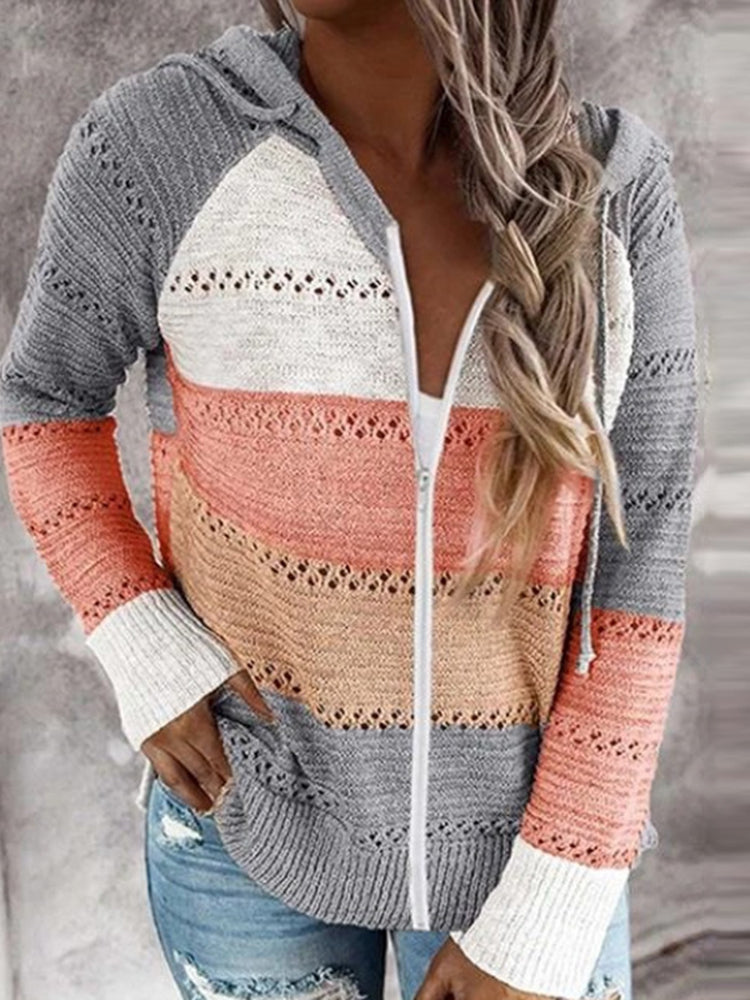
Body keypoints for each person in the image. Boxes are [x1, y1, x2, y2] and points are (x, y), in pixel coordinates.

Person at [0, 3, 700, 1000]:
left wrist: (550, 911)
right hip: (247, 818)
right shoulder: (160, 145)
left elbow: (645, 559)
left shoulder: (615, 192)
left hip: (532, 856)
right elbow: (42, 399)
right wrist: (140, 636)